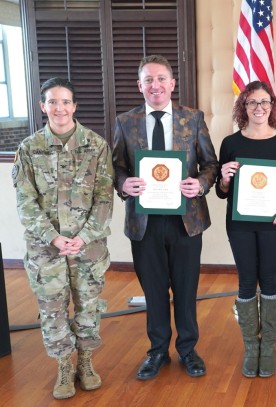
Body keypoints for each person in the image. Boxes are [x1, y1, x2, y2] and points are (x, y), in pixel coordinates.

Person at [112, 55, 218, 380]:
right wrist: (123, 183)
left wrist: (199, 183)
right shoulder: (125, 122)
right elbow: (116, 166)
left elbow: (210, 165)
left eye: (161, 79)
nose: (155, 85)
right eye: (148, 80)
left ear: (172, 84)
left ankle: (188, 349)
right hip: (144, 221)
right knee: (154, 289)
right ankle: (158, 350)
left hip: (186, 220)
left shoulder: (193, 118)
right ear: (139, 85)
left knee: (186, 288)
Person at [12, 77, 114, 399]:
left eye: (66, 101)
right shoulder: (29, 149)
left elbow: (104, 198)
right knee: (53, 308)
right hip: (46, 249)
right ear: (43, 106)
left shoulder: (96, 145)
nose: (60, 108)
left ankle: (85, 361)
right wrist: (54, 238)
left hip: (89, 247)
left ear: (75, 106)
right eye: (53, 102)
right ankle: (63, 366)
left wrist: (83, 237)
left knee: (87, 305)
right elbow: (25, 203)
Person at [216, 81, 276, 378]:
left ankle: (269, 347)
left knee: (270, 280)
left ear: (272, 106)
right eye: (252, 102)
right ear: (243, 108)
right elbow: (222, 192)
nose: (259, 107)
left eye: (265, 102)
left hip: (272, 223)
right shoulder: (231, 143)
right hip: (239, 224)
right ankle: (252, 347)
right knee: (246, 282)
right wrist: (224, 178)